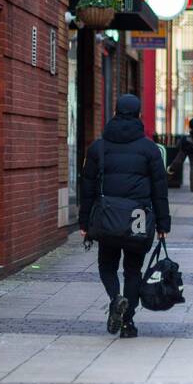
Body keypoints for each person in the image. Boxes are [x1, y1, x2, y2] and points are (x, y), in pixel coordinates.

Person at [78, 94, 170, 339]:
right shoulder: (149, 149)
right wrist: (163, 223)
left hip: (108, 217)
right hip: (138, 217)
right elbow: (160, 189)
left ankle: (115, 298)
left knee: (106, 265)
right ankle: (128, 324)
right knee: (133, 270)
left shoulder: (99, 147)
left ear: (115, 112)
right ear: (139, 115)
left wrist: (84, 221)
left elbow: (87, 187)